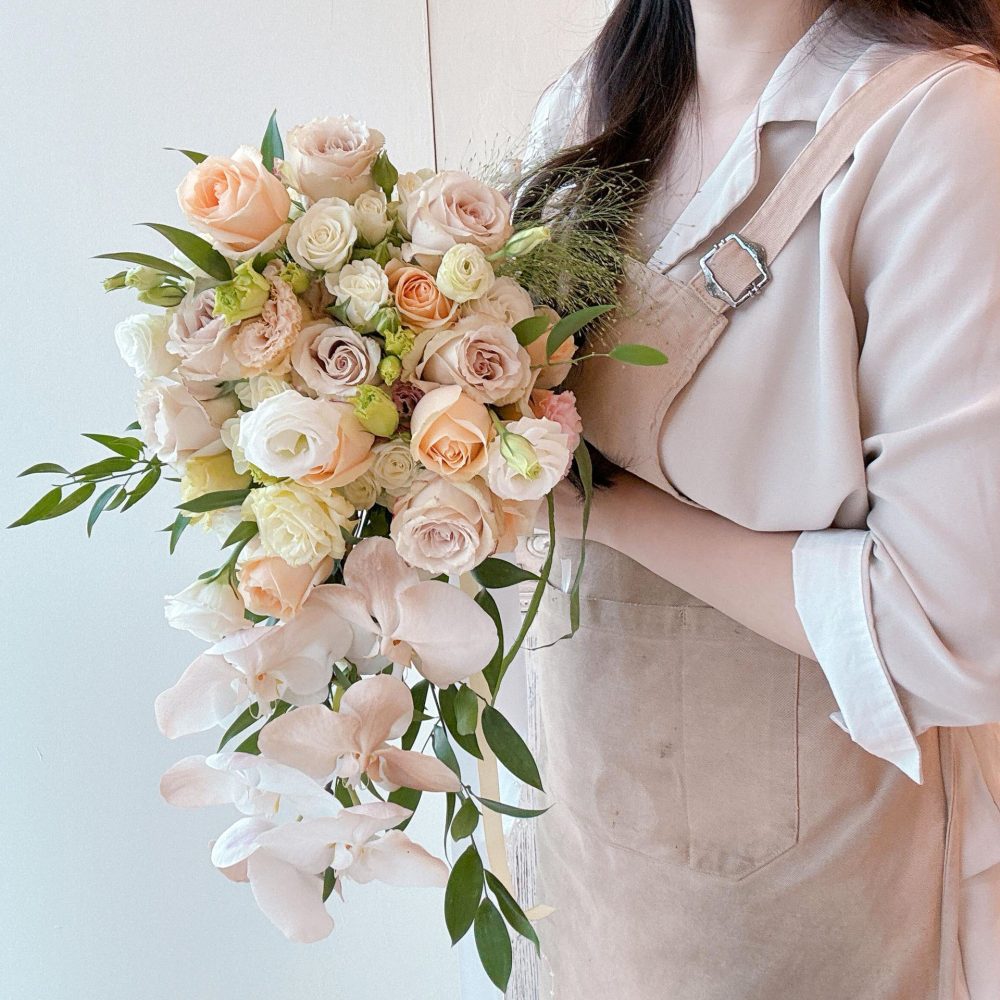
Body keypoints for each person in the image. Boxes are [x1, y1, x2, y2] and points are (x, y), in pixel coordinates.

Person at [513, 2, 1000, 997]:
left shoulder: (944, 125)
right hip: (592, 855)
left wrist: (590, 505)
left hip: (830, 893)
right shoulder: (582, 110)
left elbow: (946, 631)